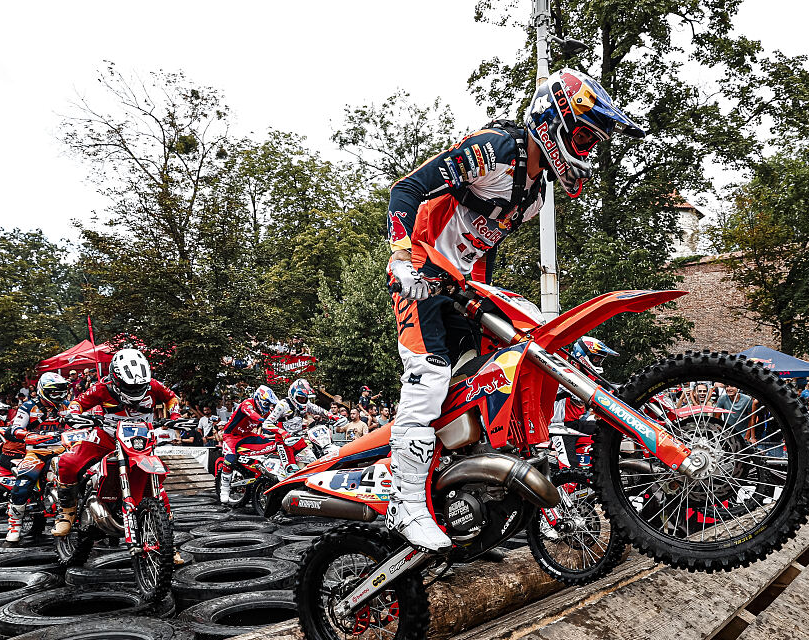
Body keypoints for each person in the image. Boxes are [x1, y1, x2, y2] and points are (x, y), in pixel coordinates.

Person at [383, 68, 641, 551]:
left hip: (462, 287)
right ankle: (405, 502)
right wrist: (401, 260)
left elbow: (484, 245)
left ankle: (473, 486)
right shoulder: (497, 150)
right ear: (554, 121)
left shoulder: (536, 193)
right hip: (419, 276)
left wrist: (485, 295)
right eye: (584, 137)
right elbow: (405, 191)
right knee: (430, 378)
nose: (586, 153)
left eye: (593, 143)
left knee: (501, 372)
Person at [54, 348, 183, 536]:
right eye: (130, 387)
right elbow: (78, 402)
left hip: (140, 443)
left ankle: (167, 541)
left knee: (156, 488)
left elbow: (171, 397)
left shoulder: (153, 385)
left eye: (139, 387)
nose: (136, 391)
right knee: (68, 463)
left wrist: (175, 416)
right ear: (115, 378)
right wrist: (73, 414)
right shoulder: (101, 388)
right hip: (107, 438)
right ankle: (66, 513)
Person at [2, 373, 71, 544]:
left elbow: (82, 420)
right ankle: (14, 526)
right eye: (54, 393)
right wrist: (25, 435)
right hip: (36, 452)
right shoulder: (28, 407)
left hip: (65, 450)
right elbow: (13, 428)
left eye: (62, 392)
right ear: (43, 390)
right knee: (24, 483)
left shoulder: (68, 406)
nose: (59, 396)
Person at [218, 385, 278, 505]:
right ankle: (224, 490)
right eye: (267, 404)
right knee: (230, 459)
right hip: (231, 435)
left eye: (270, 405)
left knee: (273, 445)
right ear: (259, 399)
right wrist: (264, 421)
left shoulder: (264, 412)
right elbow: (252, 414)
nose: (268, 407)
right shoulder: (247, 404)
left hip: (247, 435)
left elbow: (277, 417)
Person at [261, 378, 332, 468]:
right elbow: (266, 424)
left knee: (311, 460)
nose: (303, 400)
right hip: (284, 441)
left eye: (305, 398)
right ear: (293, 395)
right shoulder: (283, 405)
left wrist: (331, 415)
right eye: (301, 398)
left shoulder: (306, 403)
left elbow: (318, 409)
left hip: (298, 438)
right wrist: (282, 432)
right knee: (290, 468)